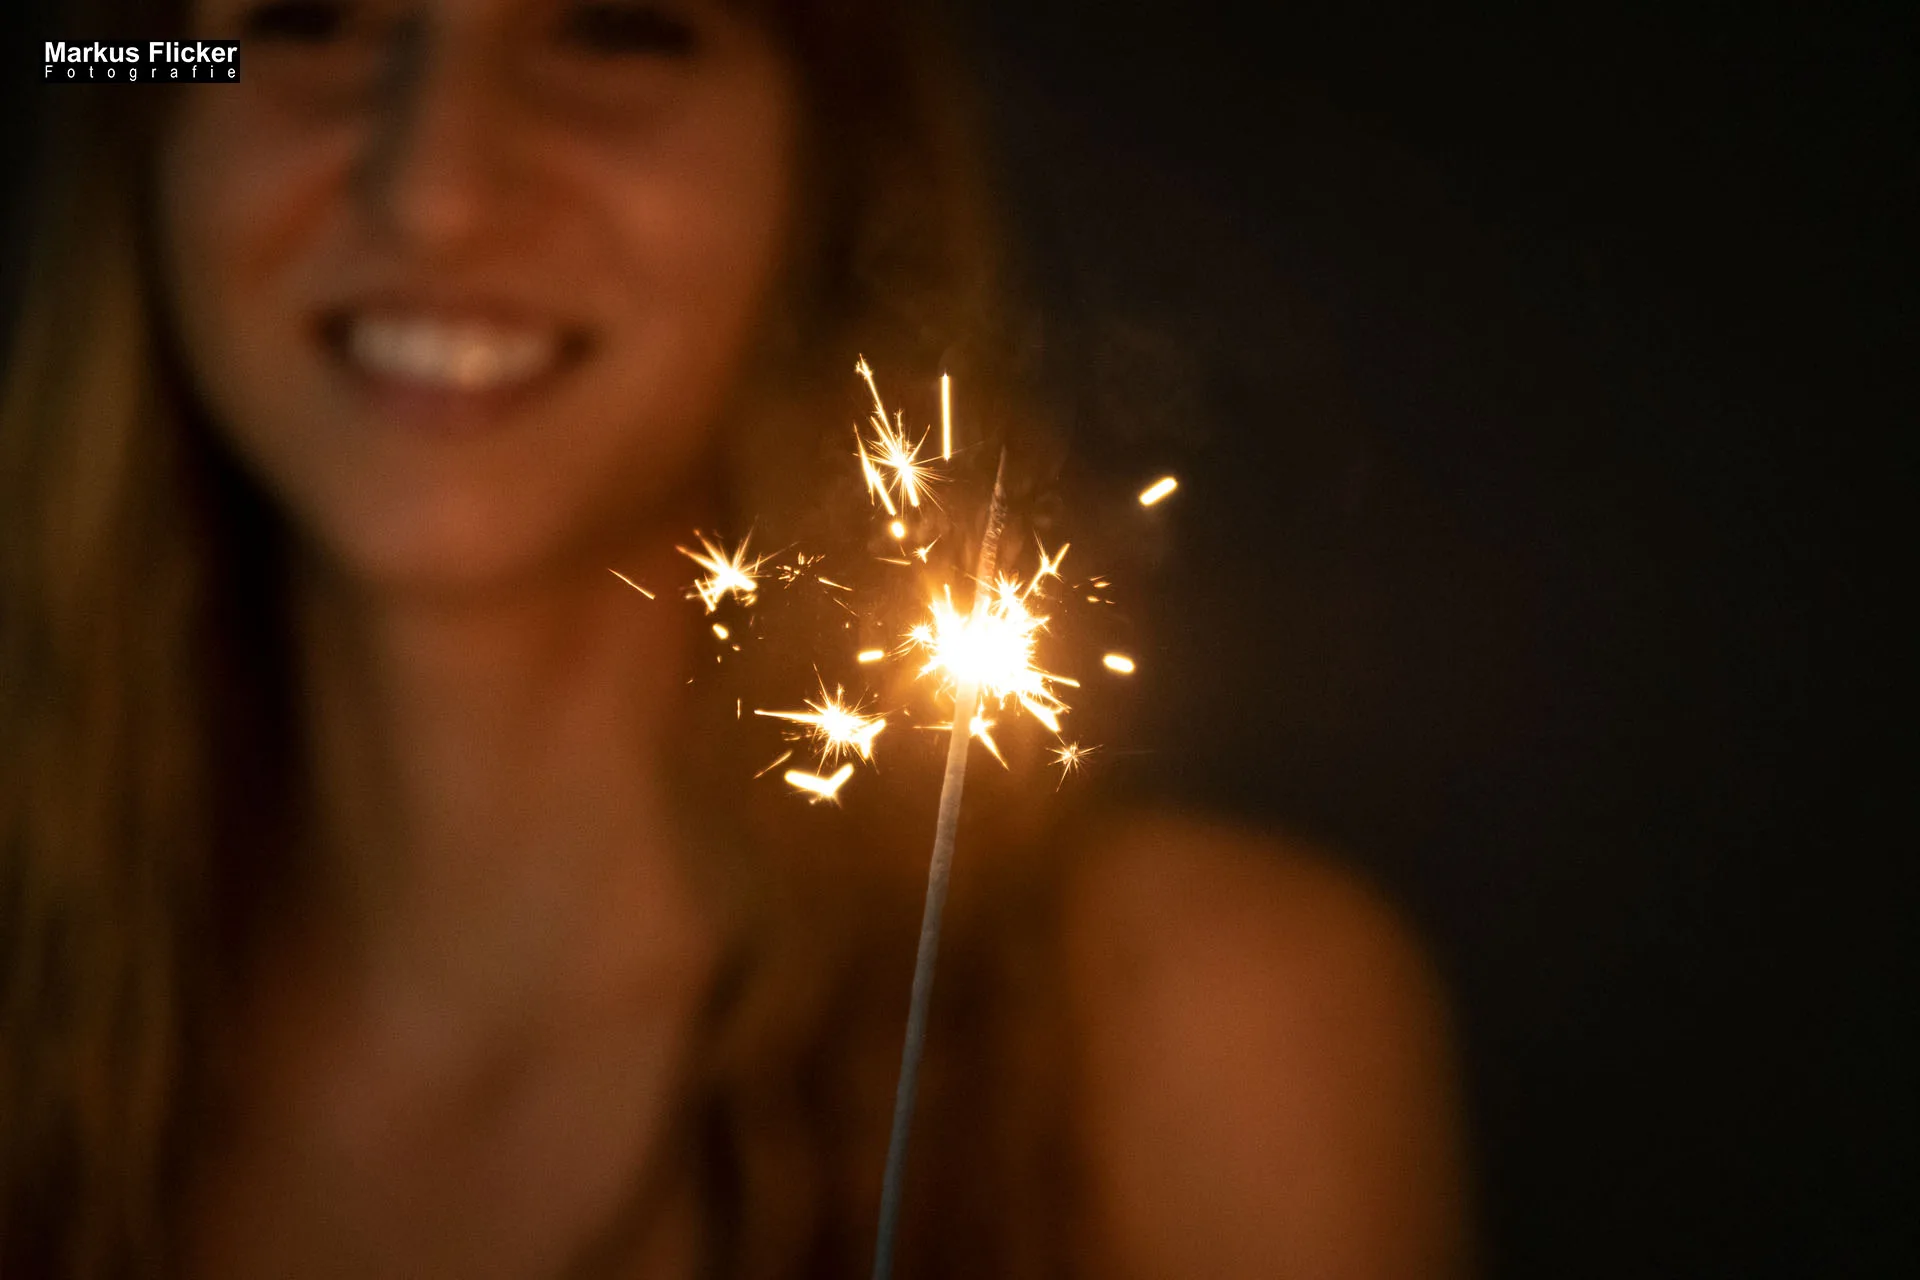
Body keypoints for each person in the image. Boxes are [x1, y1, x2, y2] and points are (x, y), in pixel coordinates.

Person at [0, 1, 1469, 1275]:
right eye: (311, 14)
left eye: (615, 23)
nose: (436, 186)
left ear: (831, 156)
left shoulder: (1190, 1045)